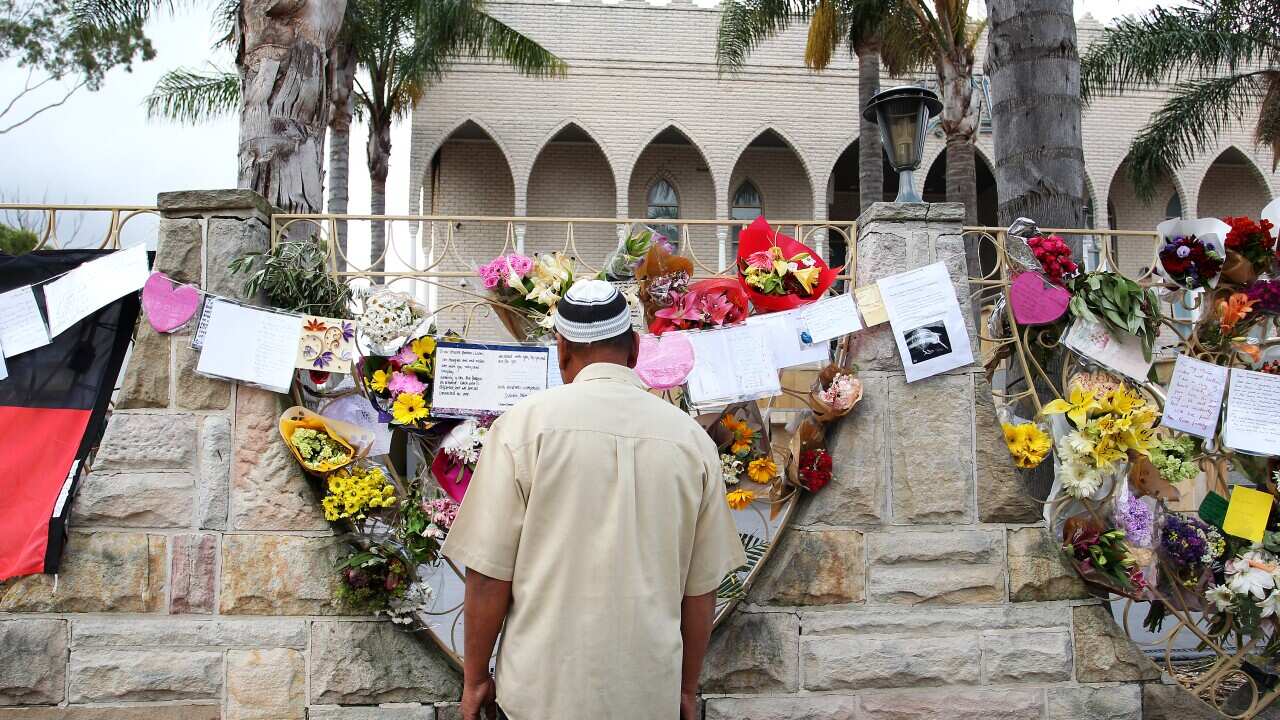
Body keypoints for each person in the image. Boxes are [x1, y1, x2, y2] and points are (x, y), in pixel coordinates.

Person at [443, 279, 746, 720]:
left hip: (539, 696)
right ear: (636, 350)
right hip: (647, 695)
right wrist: (684, 689)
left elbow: (488, 575)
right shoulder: (691, 441)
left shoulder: (522, 428)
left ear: (561, 349)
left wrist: (475, 681)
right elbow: (701, 591)